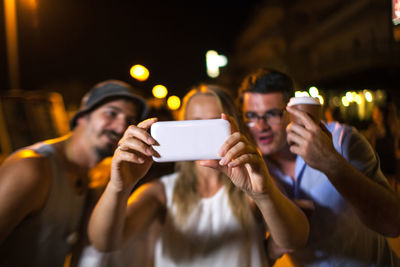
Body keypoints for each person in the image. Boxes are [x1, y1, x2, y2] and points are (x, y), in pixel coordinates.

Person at [88, 84, 309, 267]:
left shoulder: (253, 184)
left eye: (213, 122)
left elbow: (295, 239)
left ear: (234, 127)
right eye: (195, 121)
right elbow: (103, 242)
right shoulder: (161, 192)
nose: (203, 130)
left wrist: (262, 193)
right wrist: (119, 186)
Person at [237, 68, 400, 266]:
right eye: (252, 116)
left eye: (271, 114)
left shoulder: (341, 141)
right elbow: (250, 259)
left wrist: (329, 162)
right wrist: (275, 243)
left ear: (292, 111)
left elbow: (393, 223)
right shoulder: (252, 171)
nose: (261, 126)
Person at [0, 80, 147, 267]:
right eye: (111, 113)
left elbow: (103, 243)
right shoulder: (32, 167)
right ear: (82, 116)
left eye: (130, 121)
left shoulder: (95, 177)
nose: (120, 128)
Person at [364, 103, 400, 190]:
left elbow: (395, 149)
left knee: (390, 187)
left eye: (377, 113)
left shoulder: (391, 129)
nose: (374, 115)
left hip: (388, 164)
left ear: (383, 115)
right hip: (381, 164)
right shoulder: (373, 130)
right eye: (374, 113)